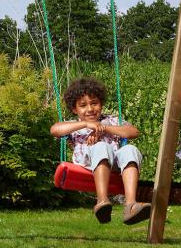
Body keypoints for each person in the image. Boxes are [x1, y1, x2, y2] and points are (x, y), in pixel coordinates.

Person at [50, 78, 151, 225]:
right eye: (83, 105)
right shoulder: (75, 124)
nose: (90, 109)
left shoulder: (112, 120)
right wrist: (86, 124)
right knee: (102, 147)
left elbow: (133, 132)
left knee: (130, 149)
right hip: (87, 164)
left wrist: (104, 128)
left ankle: (131, 205)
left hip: (115, 163)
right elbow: (55, 130)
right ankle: (102, 200)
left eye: (94, 103)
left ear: (101, 104)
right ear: (74, 109)